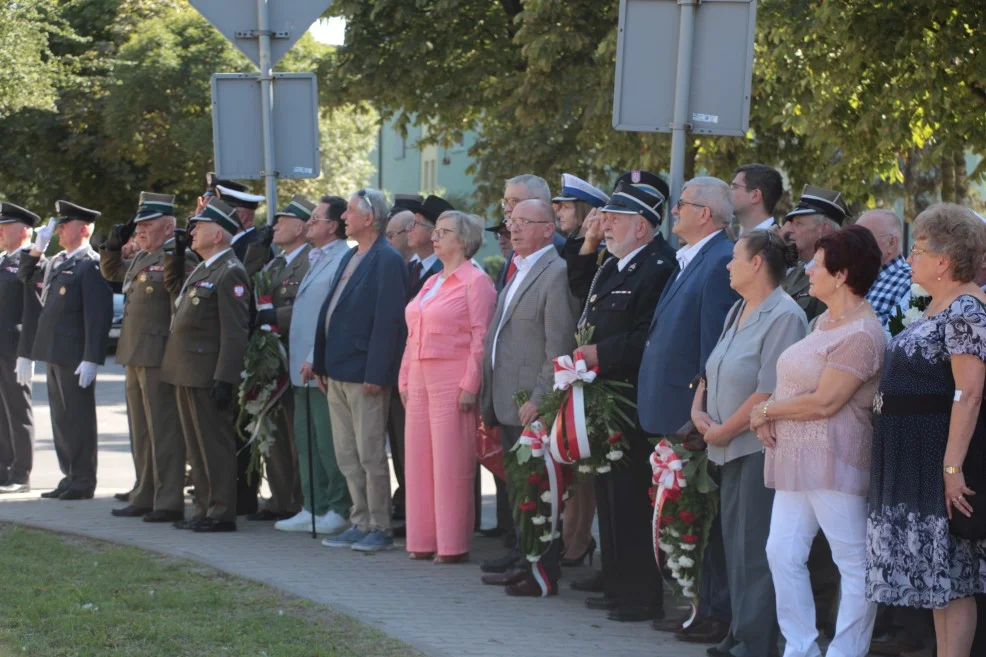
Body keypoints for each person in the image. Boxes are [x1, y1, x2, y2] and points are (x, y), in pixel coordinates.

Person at [751, 224, 886, 657]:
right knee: (781, 553)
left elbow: (827, 402)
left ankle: (846, 651)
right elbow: (796, 384)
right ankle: (801, 648)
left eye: (818, 263)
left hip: (835, 454)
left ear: (842, 274)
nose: (808, 269)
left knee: (854, 562)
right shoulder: (824, 321)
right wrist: (769, 409)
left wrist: (767, 410)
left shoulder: (864, 334)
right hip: (795, 454)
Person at [866, 204, 986, 657]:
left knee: (952, 576)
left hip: (937, 452)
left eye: (918, 250)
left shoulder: (968, 306)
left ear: (944, 261)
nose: (910, 259)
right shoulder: (922, 299)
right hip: (907, 453)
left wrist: (952, 466)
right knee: (935, 578)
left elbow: (969, 392)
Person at [564, 170, 677, 620]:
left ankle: (639, 595)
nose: (604, 224)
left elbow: (649, 336)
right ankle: (617, 584)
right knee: (610, 496)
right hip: (603, 395)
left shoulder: (659, 266)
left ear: (643, 226)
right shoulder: (615, 261)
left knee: (630, 499)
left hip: (630, 398)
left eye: (615, 217)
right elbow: (580, 289)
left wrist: (600, 353)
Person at [694, 230, 807, 657]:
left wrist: (722, 430)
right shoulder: (739, 308)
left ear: (757, 262)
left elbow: (768, 391)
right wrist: (698, 411)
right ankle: (740, 634)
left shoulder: (784, 316)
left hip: (756, 449)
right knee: (735, 548)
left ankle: (755, 644)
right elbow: (714, 366)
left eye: (735, 257)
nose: (727, 264)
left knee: (756, 551)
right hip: (725, 446)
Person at [638, 177, 738, 641]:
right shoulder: (694, 258)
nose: (673, 211)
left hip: (694, 417)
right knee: (689, 516)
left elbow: (712, 348)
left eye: (682, 204)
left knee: (706, 518)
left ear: (706, 214)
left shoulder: (720, 262)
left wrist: (699, 413)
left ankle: (715, 611)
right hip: (677, 411)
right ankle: (700, 607)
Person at [479, 198, 580, 596]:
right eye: (511, 221)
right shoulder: (518, 268)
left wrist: (540, 397)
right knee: (519, 487)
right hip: (506, 398)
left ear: (547, 228)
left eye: (524, 222)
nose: (514, 229)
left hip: (529, 403)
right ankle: (524, 557)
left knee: (535, 487)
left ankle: (541, 569)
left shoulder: (555, 272)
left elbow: (558, 345)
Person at [312, 188, 408, 553]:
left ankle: (379, 527)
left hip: (364, 374)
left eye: (350, 211)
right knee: (347, 454)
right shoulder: (353, 255)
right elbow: (331, 311)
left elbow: (389, 322)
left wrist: (376, 372)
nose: (344, 217)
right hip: (337, 370)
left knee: (369, 454)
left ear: (369, 219)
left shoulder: (387, 260)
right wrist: (320, 363)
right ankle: (360, 519)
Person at [399, 210, 495, 562]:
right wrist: (405, 378)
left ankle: (452, 545)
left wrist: (471, 383)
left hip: (452, 380)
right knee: (419, 462)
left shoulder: (476, 281)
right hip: (420, 380)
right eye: (435, 231)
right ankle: (422, 540)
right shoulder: (432, 281)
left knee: (450, 464)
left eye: (444, 232)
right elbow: (413, 333)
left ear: (464, 240)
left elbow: (481, 337)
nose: (435, 237)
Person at [161, 198, 250, 532]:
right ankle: (202, 507)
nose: (193, 231)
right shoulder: (204, 267)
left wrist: (225, 378)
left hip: (207, 373)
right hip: (186, 371)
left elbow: (234, 332)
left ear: (219, 235)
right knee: (196, 447)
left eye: (200, 226)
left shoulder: (230, 271)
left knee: (214, 444)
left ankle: (221, 512)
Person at [100, 193, 186, 522]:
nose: (140, 231)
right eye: (138, 226)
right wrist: (111, 246)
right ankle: (144, 492)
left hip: (158, 354)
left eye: (147, 225)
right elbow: (112, 274)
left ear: (168, 227)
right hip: (134, 352)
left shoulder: (174, 257)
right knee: (141, 430)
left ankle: (167, 500)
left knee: (162, 429)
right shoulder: (141, 258)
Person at [19, 201, 113, 501]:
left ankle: (83, 480)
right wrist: (38, 246)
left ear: (83, 229)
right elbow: (25, 275)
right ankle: (69, 475)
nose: (59, 229)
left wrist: (91, 358)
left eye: (65, 225)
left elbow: (97, 316)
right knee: (61, 419)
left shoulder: (90, 264)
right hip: (54, 350)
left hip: (74, 354)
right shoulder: (59, 261)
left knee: (78, 418)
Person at [278, 196, 352, 535]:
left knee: (327, 440)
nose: (310, 224)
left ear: (332, 226)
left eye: (316, 219)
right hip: (300, 367)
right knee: (305, 438)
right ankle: (313, 506)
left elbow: (334, 313)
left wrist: (314, 355)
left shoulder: (343, 257)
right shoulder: (317, 256)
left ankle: (337, 507)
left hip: (318, 365)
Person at [243, 195, 317, 522]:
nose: (274, 226)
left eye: (283, 220)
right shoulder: (276, 262)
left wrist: (276, 317)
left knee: (296, 432)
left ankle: (300, 501)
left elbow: (310, 305)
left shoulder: (312, 261)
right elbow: (249, 284)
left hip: (294, 354)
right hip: (270, 357)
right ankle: (279, 498)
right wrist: (258, 248)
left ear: (300, 227)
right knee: (271, 429)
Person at [0, 203, 42, 494]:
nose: (0, 231)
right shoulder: (3, 261)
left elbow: (34, 311)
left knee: (18, 410)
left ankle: (21, 474)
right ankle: (3, 469)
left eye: (5, 226)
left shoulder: (31, 262)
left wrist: (29, 352)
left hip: (15, 348)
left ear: (24, 230)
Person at [782, 184, 849, 321]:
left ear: (824, 229)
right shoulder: (795, 271)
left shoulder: (834, 277)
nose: (790, 230)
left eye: (799, 224)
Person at [856, 209, 911, 330]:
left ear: (891, 242)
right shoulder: (852, 278)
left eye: (863, 238)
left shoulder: (911, 282)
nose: (854, 245)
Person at [405, 195, 454, 299]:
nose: (408, 228)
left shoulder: (447, 272)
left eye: (415, 223)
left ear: (433, 232)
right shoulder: (409, 268)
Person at [215, 182, 267, 263]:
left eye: (225, 212)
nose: (220, 217)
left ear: (242, 217)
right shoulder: (245, 242)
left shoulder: (253, 247)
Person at [729, 164, 783, 236]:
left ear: (755, 196)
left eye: (734, 187)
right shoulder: (733, 240)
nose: (728, 192)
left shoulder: (777, 243)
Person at [552, 173, 609, 239]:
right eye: (561, 207)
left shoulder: (599, 247)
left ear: (585, 211)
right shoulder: (569, 241)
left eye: (566, 207)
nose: (559, 214)